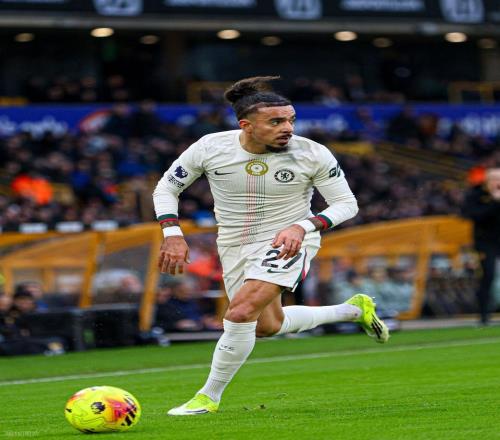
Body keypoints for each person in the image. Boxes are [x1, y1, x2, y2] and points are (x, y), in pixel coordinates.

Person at [153, 76, 389, 416]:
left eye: (291, 120)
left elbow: (346, 204)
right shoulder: (210, 147)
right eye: (276, 122)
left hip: (289, 239)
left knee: (240, 312)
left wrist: (303, 226)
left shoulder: (312, 153)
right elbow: (166, 188)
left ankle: (207, 397)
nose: (288, 128)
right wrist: (172, 233)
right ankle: (352, 311)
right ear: (246, 126)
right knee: (265, 326)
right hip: (233, 243)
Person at [462, 163, 500, 325]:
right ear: (487, 180)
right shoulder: (476, 195)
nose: (497, 182)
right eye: (494, 179)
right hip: (485, 242)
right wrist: (495, 202)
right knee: (487, 276)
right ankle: (484, 316)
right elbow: (474, 216)